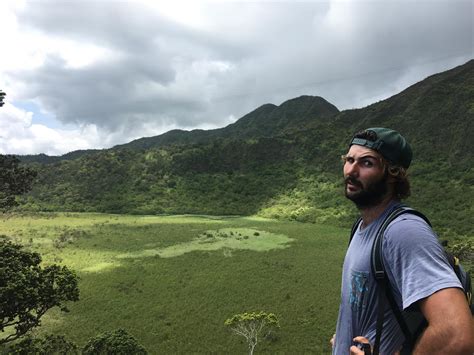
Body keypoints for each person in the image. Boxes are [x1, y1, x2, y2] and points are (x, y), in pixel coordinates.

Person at [331, 127, 473, 354]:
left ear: (393, 173)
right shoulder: (361, 226)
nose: (351, 170)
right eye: (349, 160)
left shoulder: (403, 231)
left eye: (366, 163)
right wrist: (343, 337)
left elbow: (457, 335)